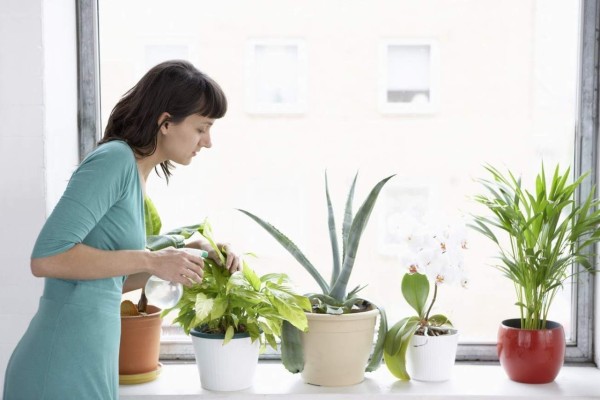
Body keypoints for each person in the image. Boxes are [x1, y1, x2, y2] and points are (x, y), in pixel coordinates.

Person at [3, 60, 240, 400]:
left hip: (89, 359)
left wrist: (191, 255)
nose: (208, 142)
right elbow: (47, 258)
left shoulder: (135, 175)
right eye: (202, 128)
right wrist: (152, 260)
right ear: (166, 122)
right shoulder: (114, 160)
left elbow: (109, 279)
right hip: (59, 365)